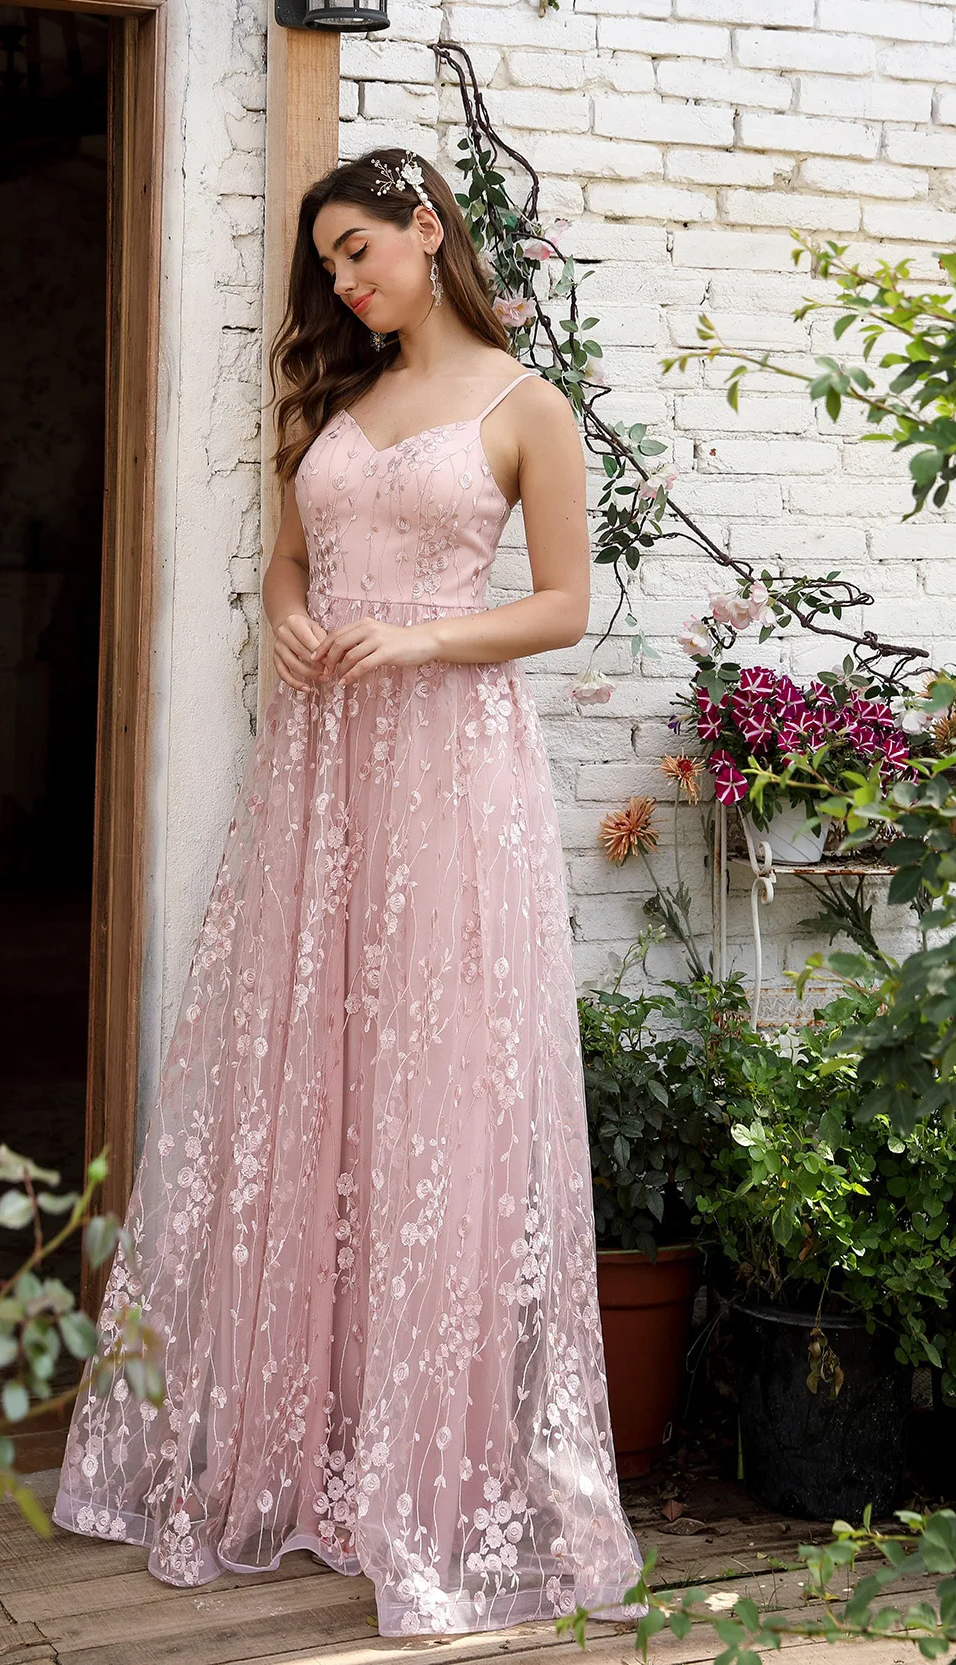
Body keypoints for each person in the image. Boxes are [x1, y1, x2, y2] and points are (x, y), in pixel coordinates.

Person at [54, 147, 645, 1637]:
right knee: (303, 1078)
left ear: (426, 231)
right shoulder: (344, 401)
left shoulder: (526, 407)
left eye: (357, 250)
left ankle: (424, 1480)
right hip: (322, 776)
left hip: (451, 769)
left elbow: (567, 605)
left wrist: (421, 644)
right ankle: (294, 1442)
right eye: (326, 265)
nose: (344, 281)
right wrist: (307, 619)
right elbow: (287, 574)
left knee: (433, 1091)